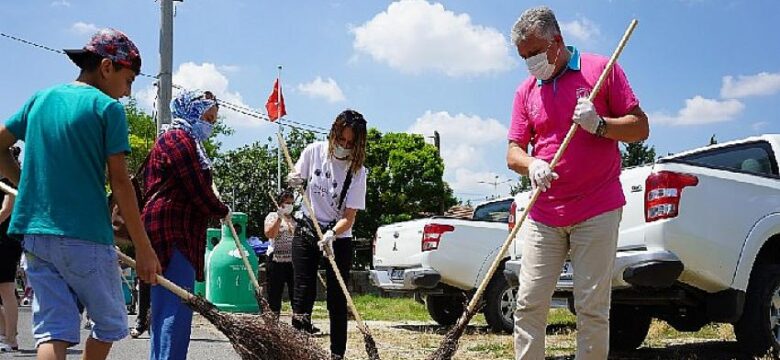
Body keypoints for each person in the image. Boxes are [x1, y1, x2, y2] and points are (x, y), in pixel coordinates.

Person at [0, 28, 161, 360]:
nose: (128, 93)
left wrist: (23, 181)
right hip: (85, 235)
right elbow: (120, 184)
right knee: (110, 323)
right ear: (106, 67)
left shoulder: (39, 99)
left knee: (53, 331)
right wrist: (144, 248)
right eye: (129, 80)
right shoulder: (106, 109)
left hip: (36, 235)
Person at [506, 7, 649, 360]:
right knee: (528, 304)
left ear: (557, 42)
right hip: (545, 212)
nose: (530, 63)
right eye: (523, 57)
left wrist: (600, 124)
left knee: (591, 308)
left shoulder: (601, 69)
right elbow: (513, 152)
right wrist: (532, 164)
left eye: (534, 54)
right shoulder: (526, 91)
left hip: (596, 208)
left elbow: (640, 128)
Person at [142, 89, 230, 360]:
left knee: (166, 307)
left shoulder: (180, 139)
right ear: (191, 111)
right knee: (176, 309)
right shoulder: (179, 139)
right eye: (208, 117)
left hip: (170, 232)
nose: (210, 125)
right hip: (173, 233)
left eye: (214, 120)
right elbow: (197, 189)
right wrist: (221, 210)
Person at [287, 109, 368, 360]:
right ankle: (298, 349)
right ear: (333, 133)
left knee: (336, 298)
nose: (344, 146)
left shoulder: (357, 171)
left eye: (350, 143)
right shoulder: (314, 152)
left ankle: (336, 354)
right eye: (340, 139)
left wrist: (332, 234)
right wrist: (293, 183)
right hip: (307, 228)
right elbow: (295, 181)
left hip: (338, 236)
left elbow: (349, 216)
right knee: (303, 291)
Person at [0, 146, 21, 352]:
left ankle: (11, 338)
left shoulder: (10, 180)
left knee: (6, 287)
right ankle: (5, 331)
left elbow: (6, 210)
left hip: (6, 240)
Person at [264, 190, 296, 318]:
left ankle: (299, 322)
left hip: (292, 261)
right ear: (280, 204)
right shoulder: (272, 216)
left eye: (291, 203)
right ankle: (273, 323)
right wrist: (279, 218)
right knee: (275, 293)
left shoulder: (294, 219)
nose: (289, 205)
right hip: (276, 260)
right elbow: (269, 234)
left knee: (296, 293)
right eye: (287, 203)